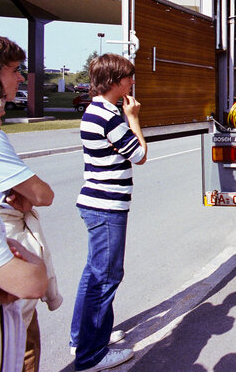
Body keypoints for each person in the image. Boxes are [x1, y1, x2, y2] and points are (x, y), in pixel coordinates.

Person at [0, 30, 61, 372]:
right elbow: (43, 194)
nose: (21, 78)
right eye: (14, 70)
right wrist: (28, 265)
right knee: (22, 350)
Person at [70, 54, 147, 372]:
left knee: (93, 274)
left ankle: (83, 338)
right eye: (129, 77)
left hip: (95, 203)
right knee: (106, 277)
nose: (132, 82)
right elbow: (140, 154)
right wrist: (134, 117)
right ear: (115, 81)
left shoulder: (94, 110)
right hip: (107, 206)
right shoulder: (111, 116)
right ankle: (92, 355)